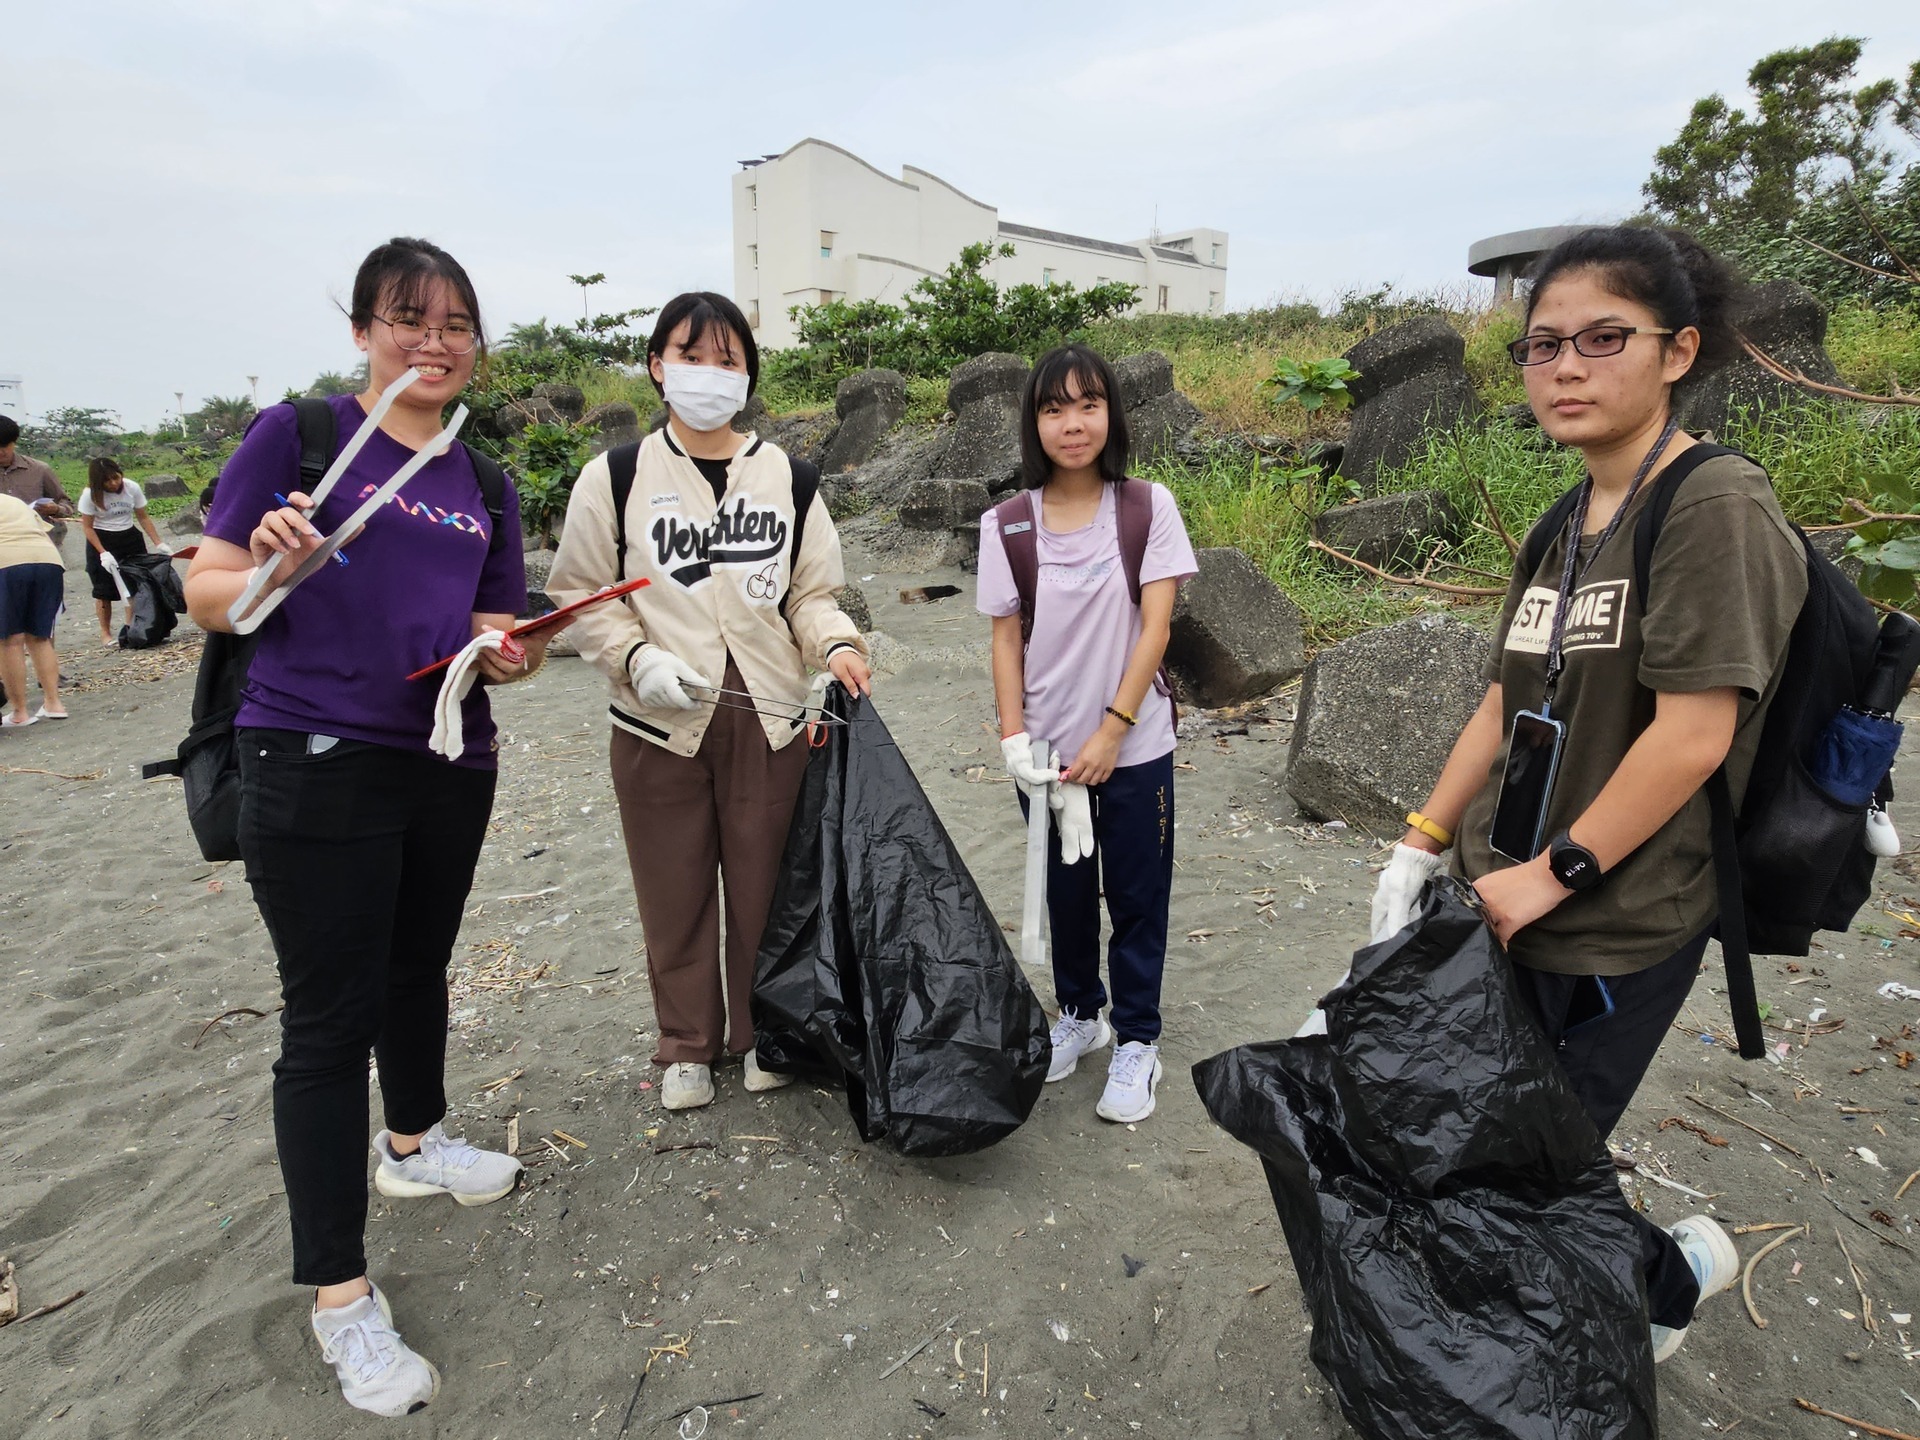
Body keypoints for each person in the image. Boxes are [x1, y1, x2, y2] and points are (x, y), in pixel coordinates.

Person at [1370, 226, 1805, 1362]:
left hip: (1614, 914)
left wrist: (1552, 876)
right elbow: (1500, 701)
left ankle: (1665, 1280)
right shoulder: (1565, 522)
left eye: (1604, 338)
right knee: (1494, 1134)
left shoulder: (1713, 505)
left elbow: (1695, 735)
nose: (1565, 367)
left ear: (1677, 351)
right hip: (1501, 894)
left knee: (1533, 1153)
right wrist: (1422, 841)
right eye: (1543, 345)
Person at [184, 236, 557, 1417]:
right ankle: (340, 1298)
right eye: (410, 319)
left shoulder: (480, 475)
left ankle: (415, 1145)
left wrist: (514, 652)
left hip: (446, 756)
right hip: (312, 755)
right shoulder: (297, 437)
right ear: (363, 331)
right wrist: (273, 564)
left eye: (456, 325)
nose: (435, 343)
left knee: (415, 967)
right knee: (327, 1020)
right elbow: (209, 592)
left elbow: (494, 621)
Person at [547, 291, 871, 1112]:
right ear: (657, 367)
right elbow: (579, 592)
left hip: (768, 719)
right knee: (673, 888)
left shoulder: (790, 479)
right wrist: (634, 657)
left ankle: (764, 1034)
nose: (709, 373)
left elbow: (810, 594)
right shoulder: (616, 476)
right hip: (656, 721)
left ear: (748, 376)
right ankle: (687, 1043)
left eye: (728, 359)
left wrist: (835, 644)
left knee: (768, 889)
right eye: (691, 356)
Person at [977, 344, 1198, 1124]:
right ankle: (1080, 1014)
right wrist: (1014, 738)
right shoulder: (1007, 523)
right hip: (1046, 755)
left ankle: (1137, 1039)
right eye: (1053, 408)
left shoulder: (1146, 508)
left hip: (1133, 748)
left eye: (1088, 405)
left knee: (1137, 895)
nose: (1073, 424)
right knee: (1065, 895)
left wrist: (1112, 731)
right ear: (1033, 423)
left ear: (1112, 414)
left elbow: (1157, 629)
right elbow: (1006, 638)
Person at [0, 492, 68, 725]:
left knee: (10, 640)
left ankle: (20, 712)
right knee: (39, 637)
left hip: (7, 562)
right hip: (48, 560)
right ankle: (53, 703)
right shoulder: (13, 501)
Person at [78, 458, 163, 644]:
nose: (113, 483)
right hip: (102, 537)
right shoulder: (89, 495)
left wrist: (158, 543)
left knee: (133, 585)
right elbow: (88, 528)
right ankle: (105, 633)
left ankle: (130, 628)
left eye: (116, 477)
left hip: (129, 537)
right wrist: (102, 552)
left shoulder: (131, 487)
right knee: (103, 591)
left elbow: (143, 517)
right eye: (107, 481)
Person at [0, 414, 74, 553]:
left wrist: (56, 509)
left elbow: (67, 505)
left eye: (5, 446)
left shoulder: (39, 470)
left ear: (14, 442)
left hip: (38, 545)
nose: (1, 452)